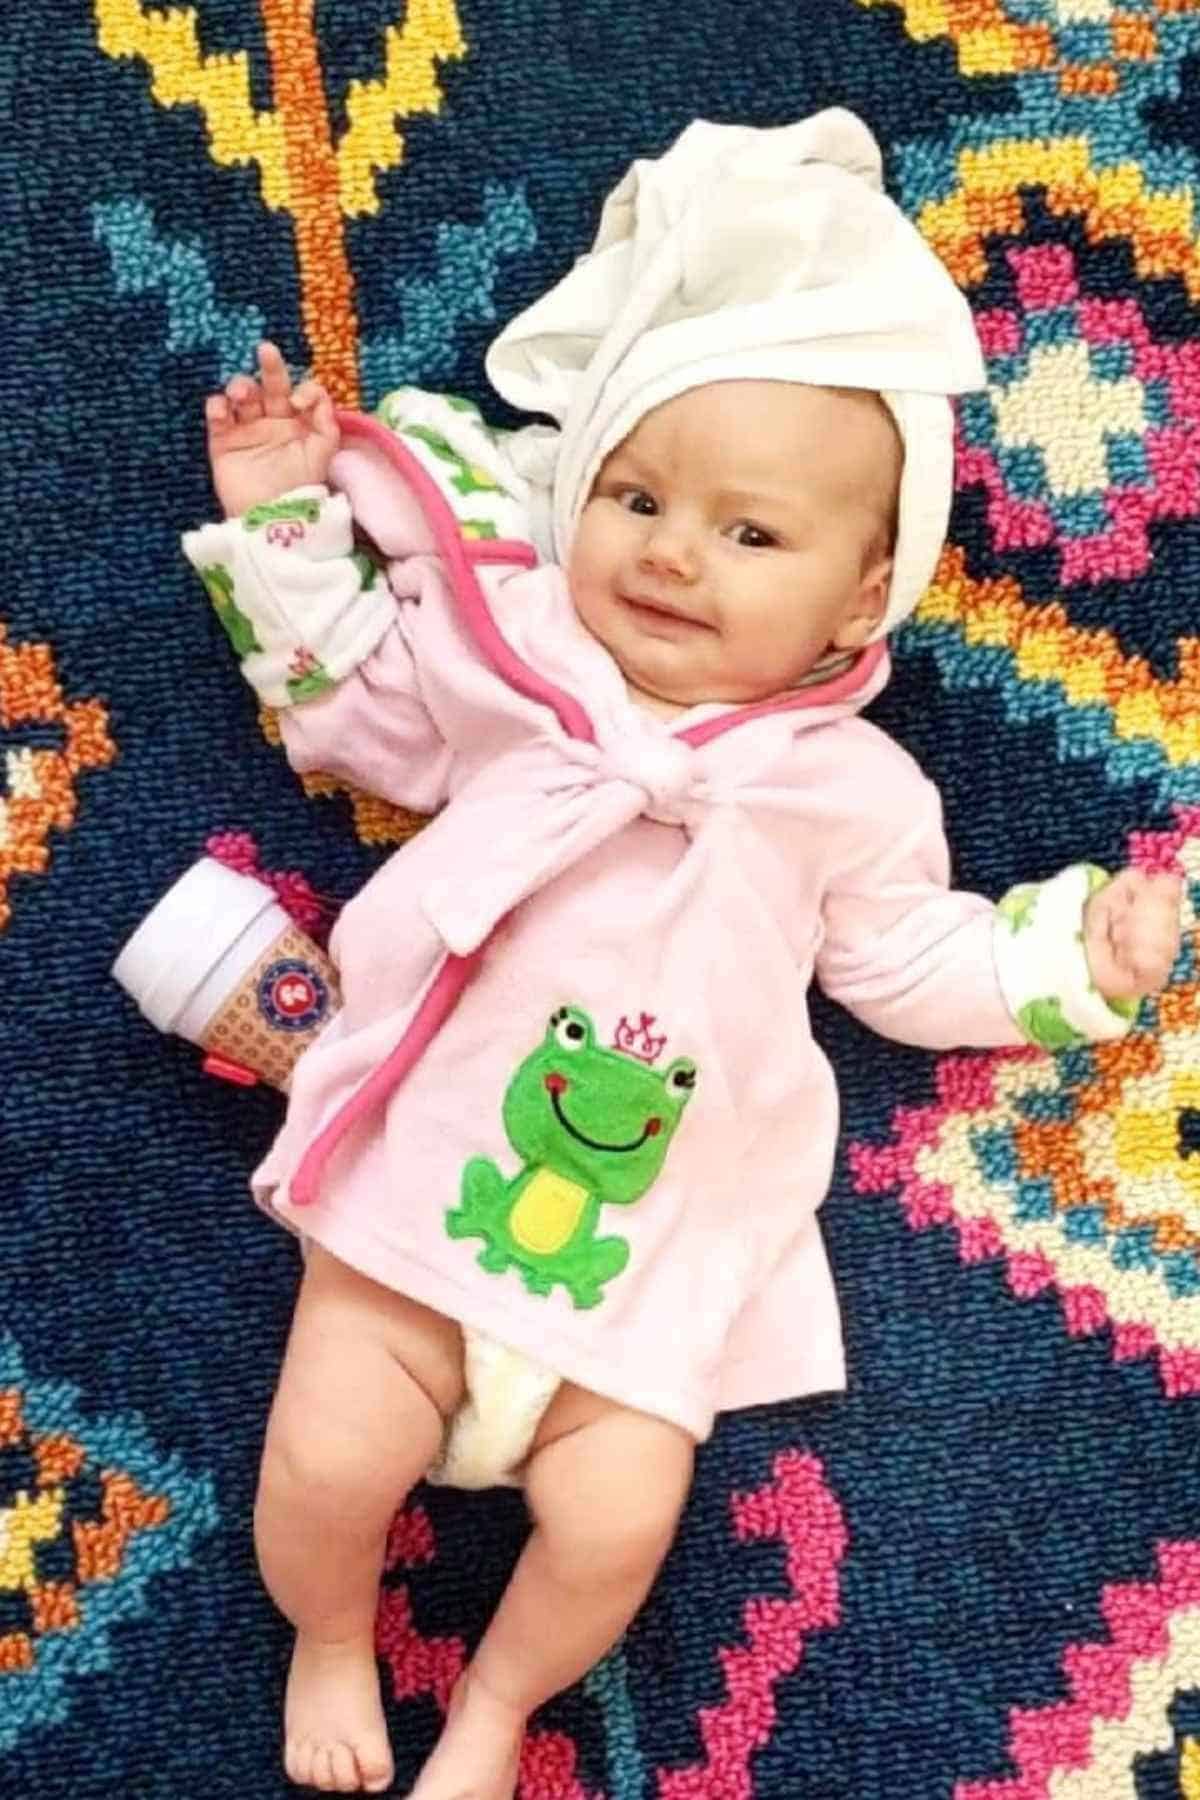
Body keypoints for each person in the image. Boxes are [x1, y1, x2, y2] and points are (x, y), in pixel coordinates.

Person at [180, 111, 1181, 1797]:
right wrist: (284, 514)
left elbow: (906, 962)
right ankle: (333, 1637)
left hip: (637, 1287)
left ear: (865, 603)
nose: (668, 551)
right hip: (425, 1216)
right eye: (636, 496)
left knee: (617, 1519)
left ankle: (495, 1711)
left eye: (750, 535)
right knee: (323, 1454)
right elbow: (345, 707)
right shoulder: (524, 684)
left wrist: (1075, 956)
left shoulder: (851, 792)